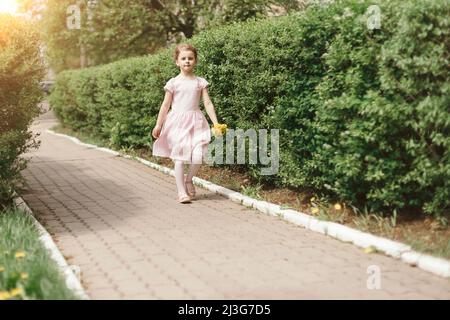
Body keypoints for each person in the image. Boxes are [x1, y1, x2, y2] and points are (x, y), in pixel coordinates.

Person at [152, 43, 223, 204]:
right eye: (183, 58)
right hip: (177, 122)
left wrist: (216, 123)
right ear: (177, 61)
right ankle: (181, 192)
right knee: (179, 157)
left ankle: (189, 179)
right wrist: (158, 124)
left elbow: (208, 103)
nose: (187, 61)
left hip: (196, 121)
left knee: (198, 156)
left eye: (190, 58)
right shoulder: (173, 83)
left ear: (195, 61)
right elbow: (165, 105)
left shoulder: (200, 82)